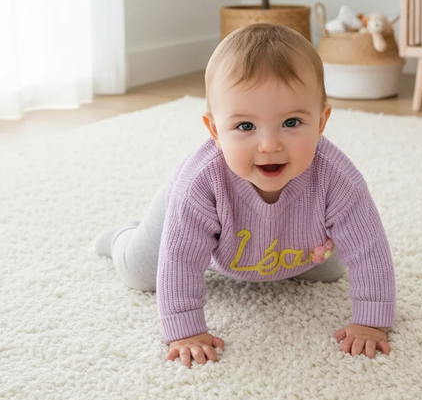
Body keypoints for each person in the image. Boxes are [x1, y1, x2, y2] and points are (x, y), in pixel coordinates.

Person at [95, 24, 395, 368]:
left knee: (326, 272)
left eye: (292, 122)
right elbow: (182, 259)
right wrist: (186, 330)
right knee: (140, 273)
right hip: (193, 221)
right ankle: (122, 236)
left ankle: (290, 253)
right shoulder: (199, 184)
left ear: (322, 122)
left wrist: (372, 321)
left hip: (290, 234)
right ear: (215, 131)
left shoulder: (339, 178)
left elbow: (369, 248)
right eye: (246, 127)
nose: (270, 144)